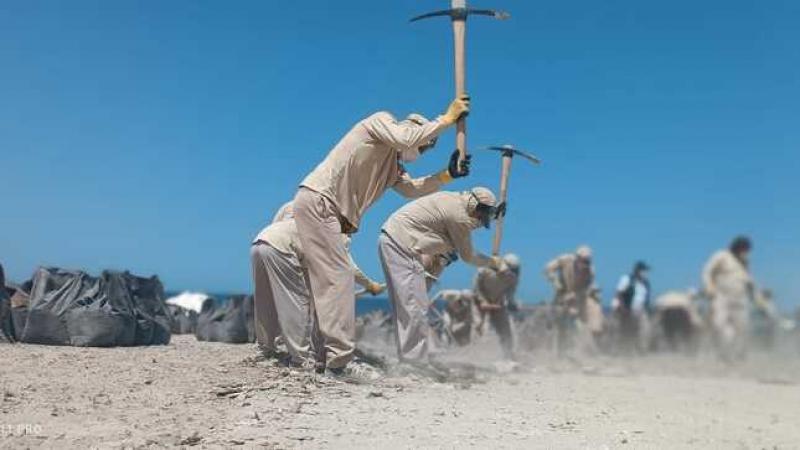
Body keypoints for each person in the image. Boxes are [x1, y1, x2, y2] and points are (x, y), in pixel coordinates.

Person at [293, 97, 471, 377]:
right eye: (424, 144)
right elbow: (405, 138)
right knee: (338, 277)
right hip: (320, 201)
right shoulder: (380, 122)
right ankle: (339, 363)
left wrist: (447, 175)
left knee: (326, 282)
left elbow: (412, 189)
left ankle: (323, 356)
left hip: (330, 215)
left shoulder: (392, 165)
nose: (424, 149)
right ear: (413, 130)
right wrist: (446, 120)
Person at [379, 187, 504, 364]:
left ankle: (411, 359)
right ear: (474, 203)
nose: (478, 219)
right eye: (480, 214)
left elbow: (464, 228)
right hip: (402, 245)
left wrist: (493, 214)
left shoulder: (454, 201)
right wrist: (493, 263)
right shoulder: (458, 216)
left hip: (399, 241)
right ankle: (413, 362)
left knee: (411, 305)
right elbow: (468, 255)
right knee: (414, 307)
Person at [250, 216, 384, 370]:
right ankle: (301, 360)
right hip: (283, 248)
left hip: (260, 243)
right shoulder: (337, 234)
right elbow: (347, 266)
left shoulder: (312, 224)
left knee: (265, 302)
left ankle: (265, 350)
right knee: (297, 305)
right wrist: (371, 285)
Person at [702, 235, 756, 361]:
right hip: (721, 296)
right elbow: (707, 271)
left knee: (743, 328)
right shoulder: (721, 256)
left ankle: (740, 356)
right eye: (744, 249)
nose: (745, 252)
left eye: (747, 250)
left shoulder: (745, 262)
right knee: (719, 324)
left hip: (740, 299)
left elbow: (748, 279)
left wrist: (754, 294)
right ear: (736, 247)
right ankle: (723, 354)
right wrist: (709, 287)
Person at [544, 245, 595, 354]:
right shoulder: (565, 259)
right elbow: (548, 269)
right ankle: (554, 352)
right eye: (584, 261)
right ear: (577, 258)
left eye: (588, 262)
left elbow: (586, 289)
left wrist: (575, 297)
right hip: (560, 295)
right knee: (555, 323)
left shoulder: (590, 272)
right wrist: (555, 282)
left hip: (576, 300)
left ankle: (573, 352)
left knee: (578, 325)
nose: (586, 265)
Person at [473, 254, 522, 360]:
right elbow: (476, 287)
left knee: (505, 330)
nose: (514, 273)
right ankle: (475, 355)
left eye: (516, 270)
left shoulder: (513, 278)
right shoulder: (485, 270)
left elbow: (510, 293)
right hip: (479, 302)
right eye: (512, 269)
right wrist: (482, 301)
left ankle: (508, 355)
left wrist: (512, 304)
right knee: (478, 326)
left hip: (497, 303)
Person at [613, 261, 652, 353]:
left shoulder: (646, 283)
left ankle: (641, 349)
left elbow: (646, 298)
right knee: (627, 331)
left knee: (644, 330)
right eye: (644, 271)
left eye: (646, 271)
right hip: (628, 309)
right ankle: (624, 349)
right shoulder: (627, 279)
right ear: (638, 271)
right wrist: (622, 307)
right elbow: (619, 293)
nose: (646, 273)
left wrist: (648, 309)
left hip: (641, 310)